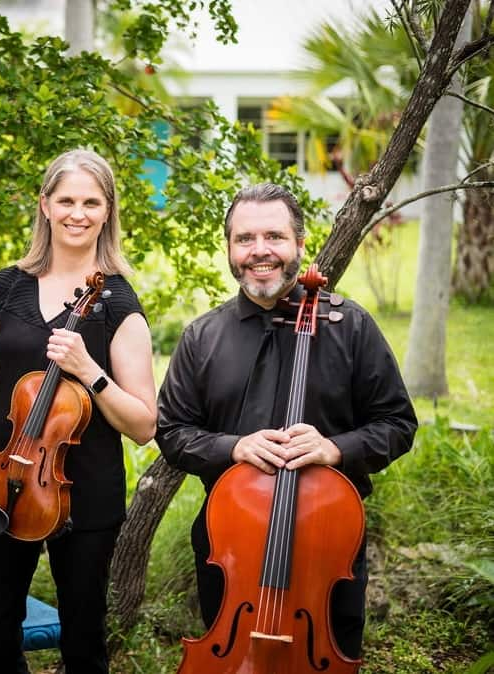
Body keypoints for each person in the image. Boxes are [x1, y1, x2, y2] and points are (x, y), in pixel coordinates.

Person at [156, 182, 418, 659]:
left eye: (274, 237)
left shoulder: (351, 327)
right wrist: (232, 447)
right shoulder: (202, 337)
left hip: (327, 543)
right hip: (229, 542)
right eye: (245, 239)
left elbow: (397, 424)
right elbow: (172, 431)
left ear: (300, 244)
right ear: (230, 249)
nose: (260, 251)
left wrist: (334, 449)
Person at [0, 149, 157, 673]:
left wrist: (89, 370)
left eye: (92, 202)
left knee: (83, 645)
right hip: (4, 484)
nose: (78, 213)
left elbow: (143, 425)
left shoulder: (119, 303)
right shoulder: (4, 288)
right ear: (44, 205)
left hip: (86, 496)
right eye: (66, 200)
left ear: (108, 211)